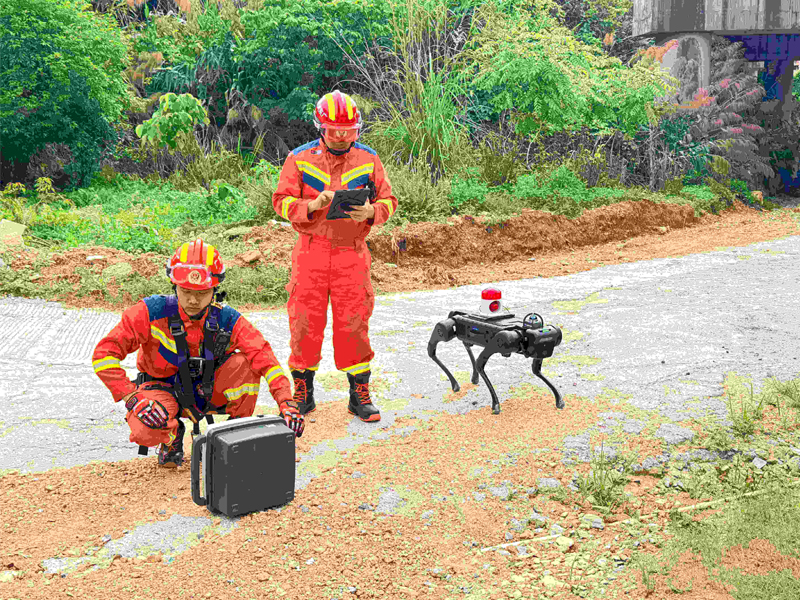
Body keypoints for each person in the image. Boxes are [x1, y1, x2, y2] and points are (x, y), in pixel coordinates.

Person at [92, 239, 304, 468]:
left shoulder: (228, 319)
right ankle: (171, 438)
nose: (193, 300)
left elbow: (265, 358)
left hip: (208, 390)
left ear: (215, 290)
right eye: (186, 291)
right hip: (162, 392)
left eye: (202, 292)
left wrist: (287, 403)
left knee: (247, 363)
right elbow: (104, 354)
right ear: (174, 286)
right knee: (144, 429)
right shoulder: (148, 313)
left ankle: (233, 439)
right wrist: (132, 398)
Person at [272, 89, 398, 423]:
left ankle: (359, 396)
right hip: (310, 253)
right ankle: (303, 392)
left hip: (351, 255)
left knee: (354, 325)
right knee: (303, 324)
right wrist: (310, 206)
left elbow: (389, 201)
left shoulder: (369, 159)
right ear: (320, 128)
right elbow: (281, 201)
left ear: (357, 130)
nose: (341, 138)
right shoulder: (299, 158)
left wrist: (371, 212)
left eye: (348, 132)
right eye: (334, 132)